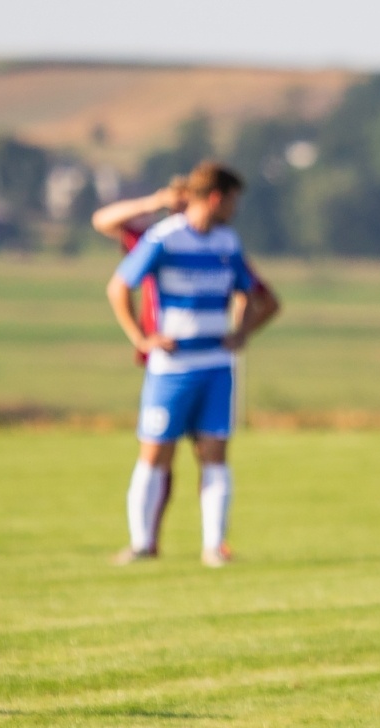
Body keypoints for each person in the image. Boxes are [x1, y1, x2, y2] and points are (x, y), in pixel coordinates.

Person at [105, 161, 279, 567]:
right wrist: (140, 337)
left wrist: (241, 333)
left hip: (217, 365)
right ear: (216, 197)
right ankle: (142, 544)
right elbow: (119, 287)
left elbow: (251, 294)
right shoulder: (164, 237)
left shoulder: (227, 242)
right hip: (172, 367)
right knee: (155, 454)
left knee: (215, 453)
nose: (235, 209)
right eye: (233, 200)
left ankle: (214, 547)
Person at [91, 178, 187, 547]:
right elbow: (103, 220)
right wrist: (155, 200)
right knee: (160, 448)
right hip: (163, 355)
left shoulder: (210, 239)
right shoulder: (154, 238)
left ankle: (176, 537)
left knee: (199, 452)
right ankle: (146, 539)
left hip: (198, 355)